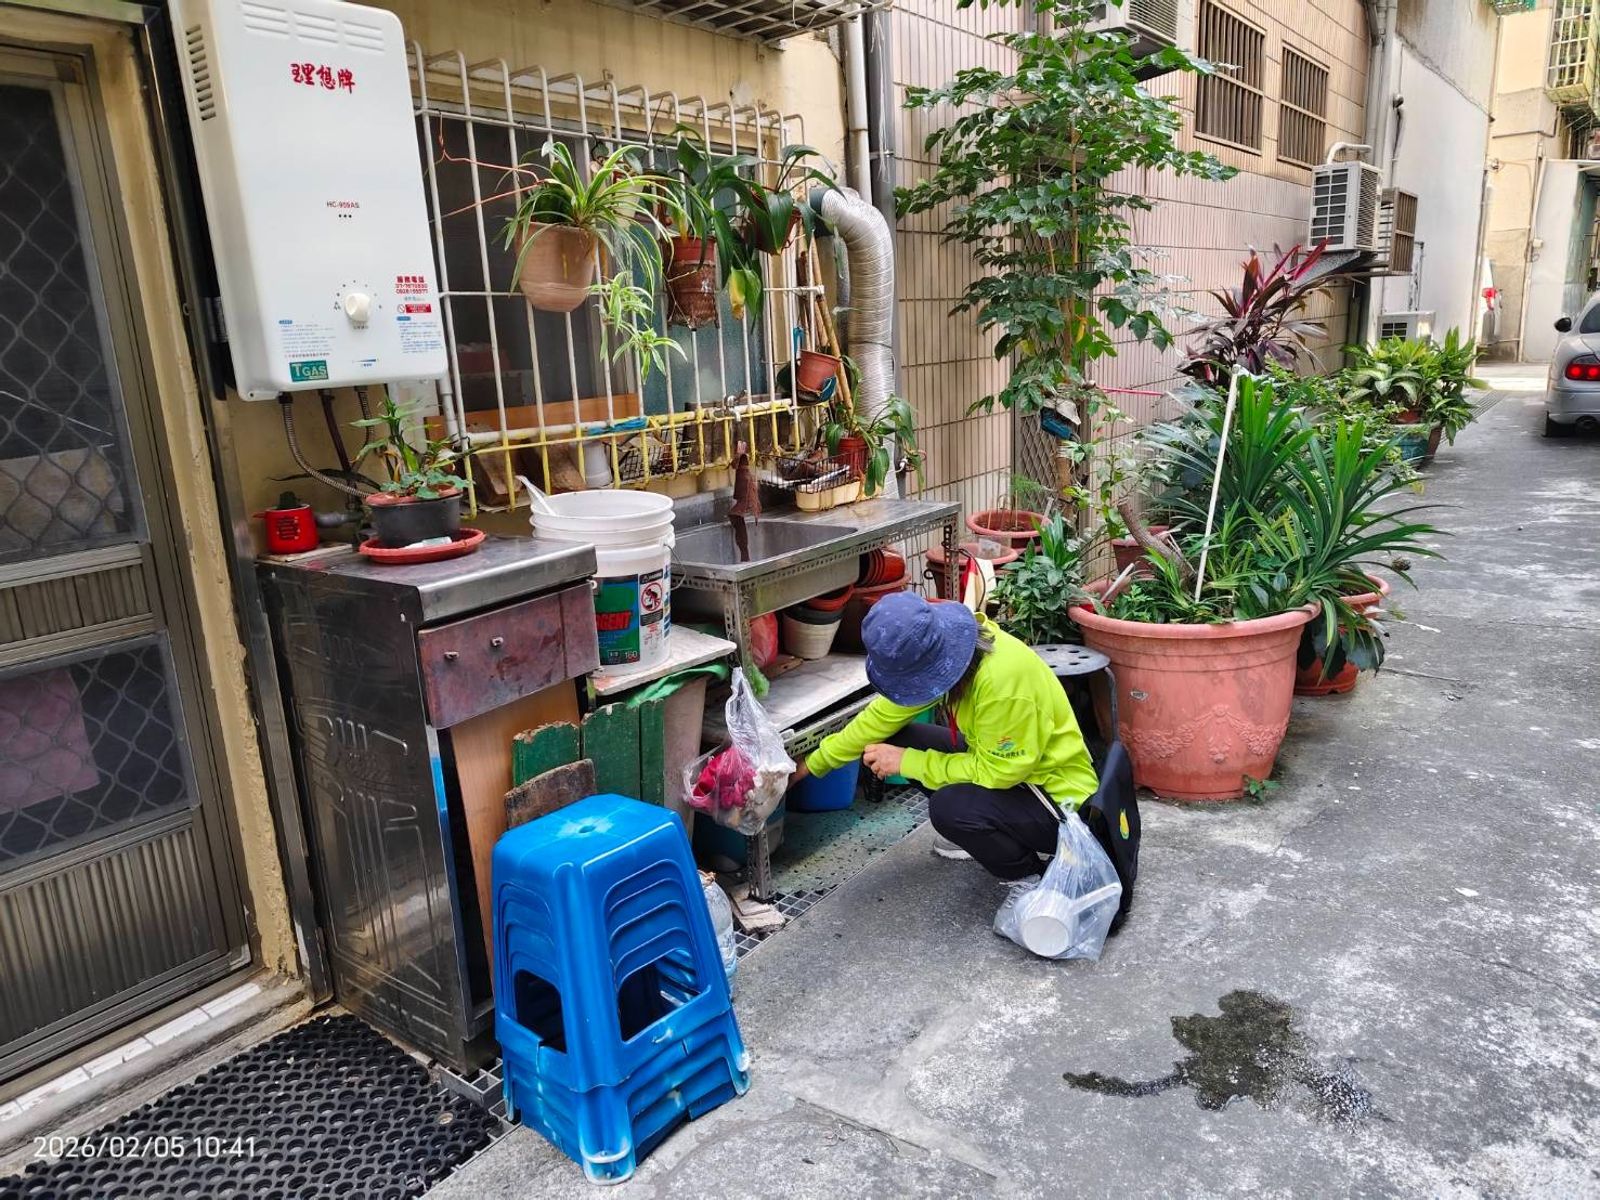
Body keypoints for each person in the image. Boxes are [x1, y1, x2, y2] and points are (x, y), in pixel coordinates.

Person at [790, 590, 1098, 883]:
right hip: (1008, 767)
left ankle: (1029, 878)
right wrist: (809, 766)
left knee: (950, 809)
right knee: (898, 737)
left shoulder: (1001, 685)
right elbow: (880, 718)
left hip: (1057, 801)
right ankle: (983, 835)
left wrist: (907, 762)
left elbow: (1000, 772)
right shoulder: (949, 650)